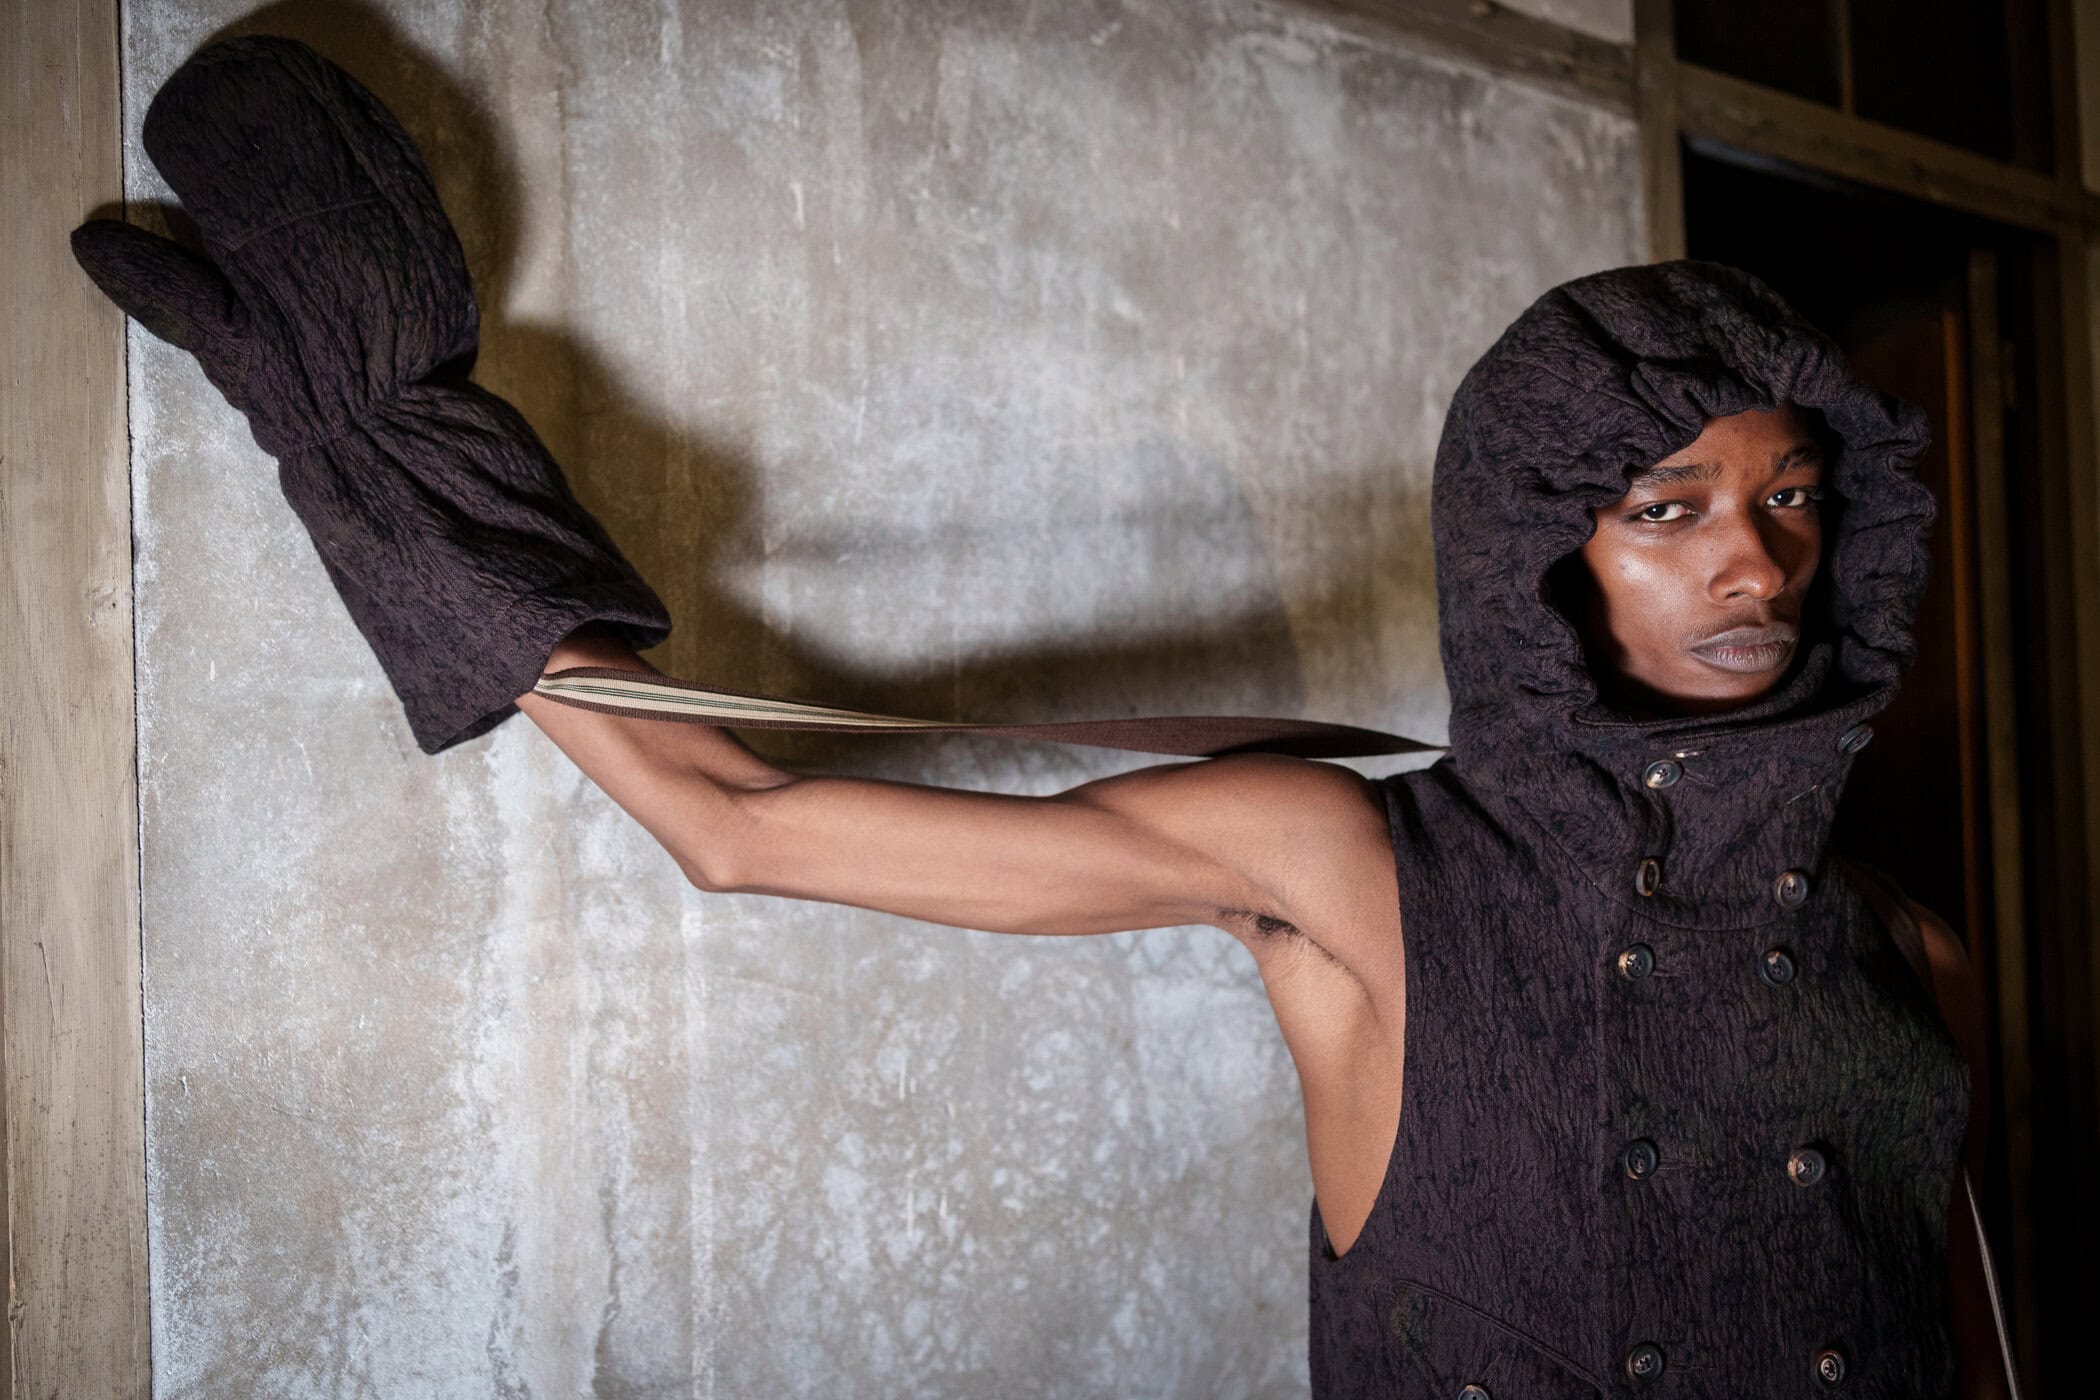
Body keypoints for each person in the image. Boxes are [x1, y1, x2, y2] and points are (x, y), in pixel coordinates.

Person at [76, 36, 2014, 1400]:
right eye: (1665, 508)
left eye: (1787, 502)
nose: (1751, 566)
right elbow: (741, 822)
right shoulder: (1345, 862)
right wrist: (381, 440)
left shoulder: (1898, 943)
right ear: (1546, 544)